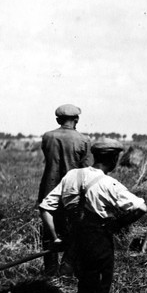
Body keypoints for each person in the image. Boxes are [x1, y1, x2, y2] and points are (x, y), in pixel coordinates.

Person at [38, 139, 147, 293]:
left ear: (95, 156)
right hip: (98, 242)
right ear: (114, 159)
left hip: (74, 243)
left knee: (85, 287)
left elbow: (45, 208)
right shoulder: (108, 183)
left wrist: (56, 238)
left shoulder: (72, 175)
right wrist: (117, 225)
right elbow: (141, 208)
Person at [37, 104, 91, 276]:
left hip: (49, 187)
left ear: (58, 120)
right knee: (74, 229)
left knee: (49, 229)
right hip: (72, 191)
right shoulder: (83, 140)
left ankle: (51, 271)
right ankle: (67, 269)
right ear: (76, 120)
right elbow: (87, 167)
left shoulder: (47, 136)